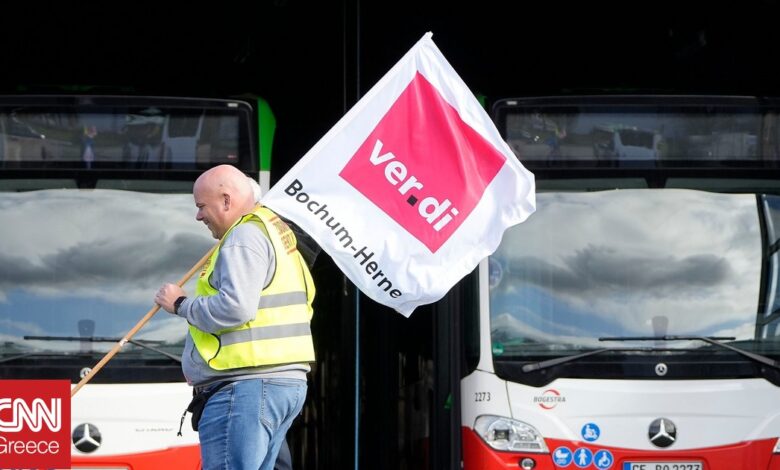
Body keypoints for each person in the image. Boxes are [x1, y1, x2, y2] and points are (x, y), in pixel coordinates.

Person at [155, 164, 315, 470]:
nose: (198, 216)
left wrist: (181, 304)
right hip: (279, 383)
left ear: (226, 200)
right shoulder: (275, 233)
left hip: (246, 387)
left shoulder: (244, 236)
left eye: (201, 206)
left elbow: (236, 308)